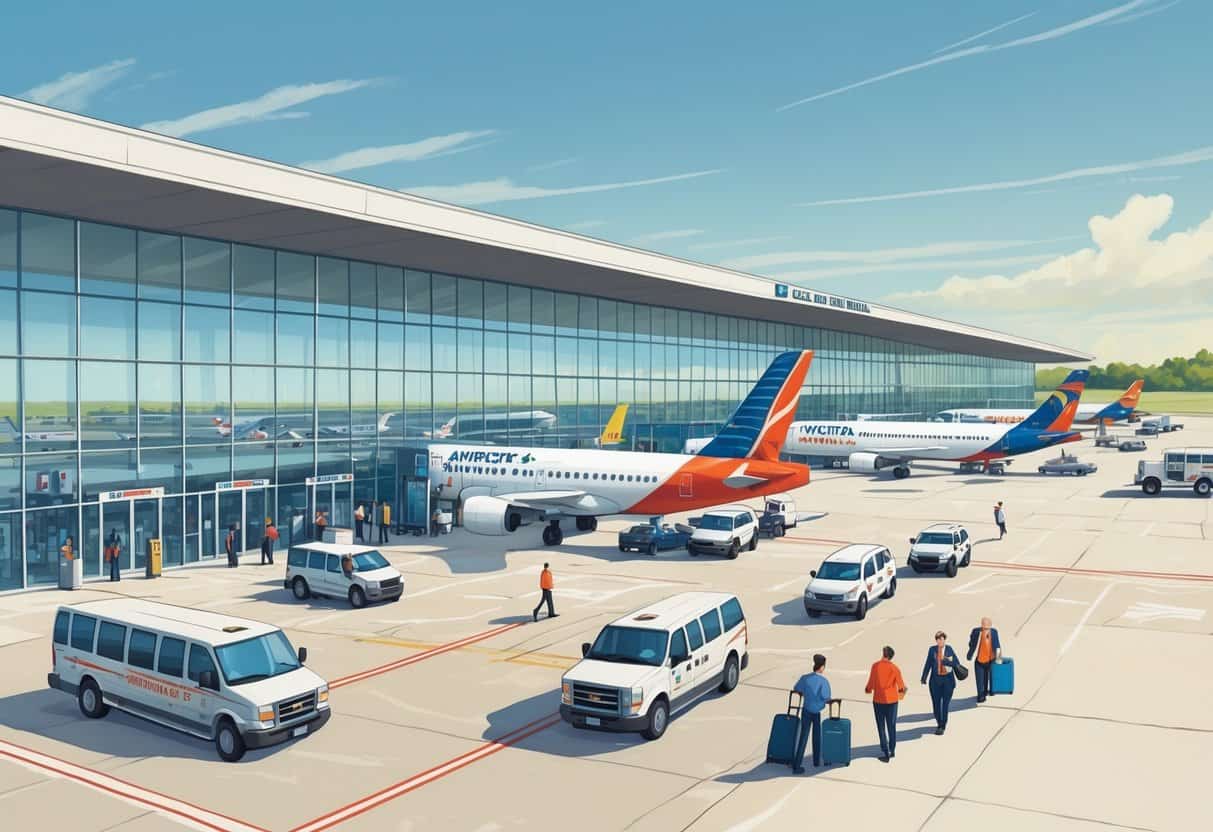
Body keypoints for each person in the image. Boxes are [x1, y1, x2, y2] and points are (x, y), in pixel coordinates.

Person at [865, 646, 907, 761]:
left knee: (881, 726)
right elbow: (901, 687)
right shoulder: (895, 668)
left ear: (883, 654)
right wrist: (901, 693)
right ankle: (892, 749)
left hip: (878, 700)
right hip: (892, 701)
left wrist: (868, 689)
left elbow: (871, 683)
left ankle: (885, 749)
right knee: (891, 725)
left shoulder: (875, 666)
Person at [791, 654, 830, 773]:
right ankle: (816, 761)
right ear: (822, 667)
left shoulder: (805, 678)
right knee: (816, 736)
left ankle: (797, 764)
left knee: (803, 737)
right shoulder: (823, 681)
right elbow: (826, 697)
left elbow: (797, 688)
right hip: (816, 712)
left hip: (806, 710)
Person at [921, 631, 961, 734]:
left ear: (944, 640)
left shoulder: (949, 649)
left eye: (942, 639)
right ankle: (939, 722)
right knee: (936, 705)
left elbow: (957, 663)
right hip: (935, 682)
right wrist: (924, 676)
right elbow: (928, 663)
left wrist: (947, 662)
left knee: (945, 705)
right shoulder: (932, 650)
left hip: (948, 681)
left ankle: (942, 725)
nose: (940, 641)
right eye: (938, 639)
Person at [966, 617, 1002, 703]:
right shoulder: (976, 631)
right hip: (979, 660)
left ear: (990, 626)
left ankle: (987, 691)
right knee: (979, 680)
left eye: (987, 628)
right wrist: (970, 653)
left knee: (988, 677)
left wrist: (999, 660)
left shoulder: (994, 632)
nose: (985, 629)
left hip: (990, 660)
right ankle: (980, 696)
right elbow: (971, 643)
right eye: (983, 627)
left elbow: (997, 645)